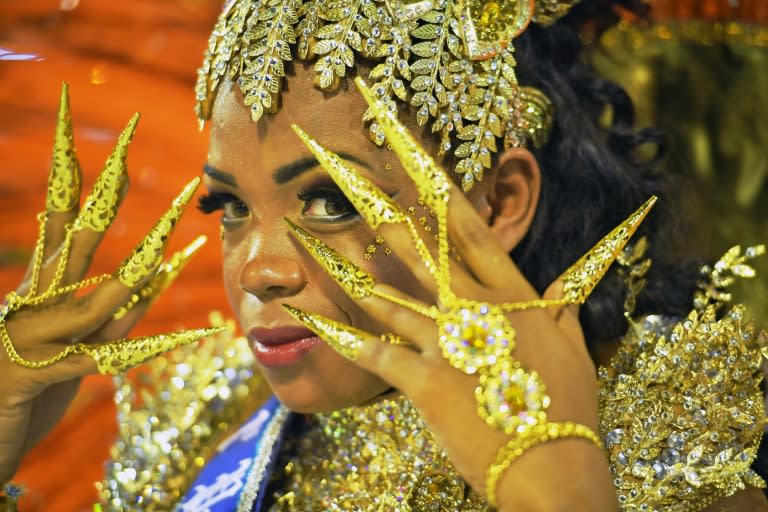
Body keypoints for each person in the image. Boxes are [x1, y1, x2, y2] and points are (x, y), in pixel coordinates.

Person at [1, 0, 767, 510]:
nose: (258, 268)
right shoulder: (210, 419)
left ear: (499, 202)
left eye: (333, 201)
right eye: (229, 206)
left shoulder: (658, 436)